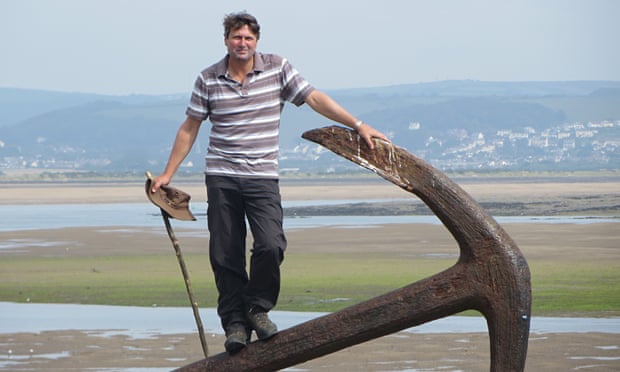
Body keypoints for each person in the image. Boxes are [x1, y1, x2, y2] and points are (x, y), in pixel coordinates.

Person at [149, 11, 389, 354]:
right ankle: (234, 324)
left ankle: (256, 308)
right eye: (236, 37)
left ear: (256, 41)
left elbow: (313, 97)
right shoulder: (208, 78)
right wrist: (168, 174)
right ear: (226, 40)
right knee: (225, 252)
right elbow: (190, 127)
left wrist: (358, 123)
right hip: (222, 176)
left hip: (262, 177)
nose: (242, 43)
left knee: (271, 244)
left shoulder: (278, 68)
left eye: (248, 38)